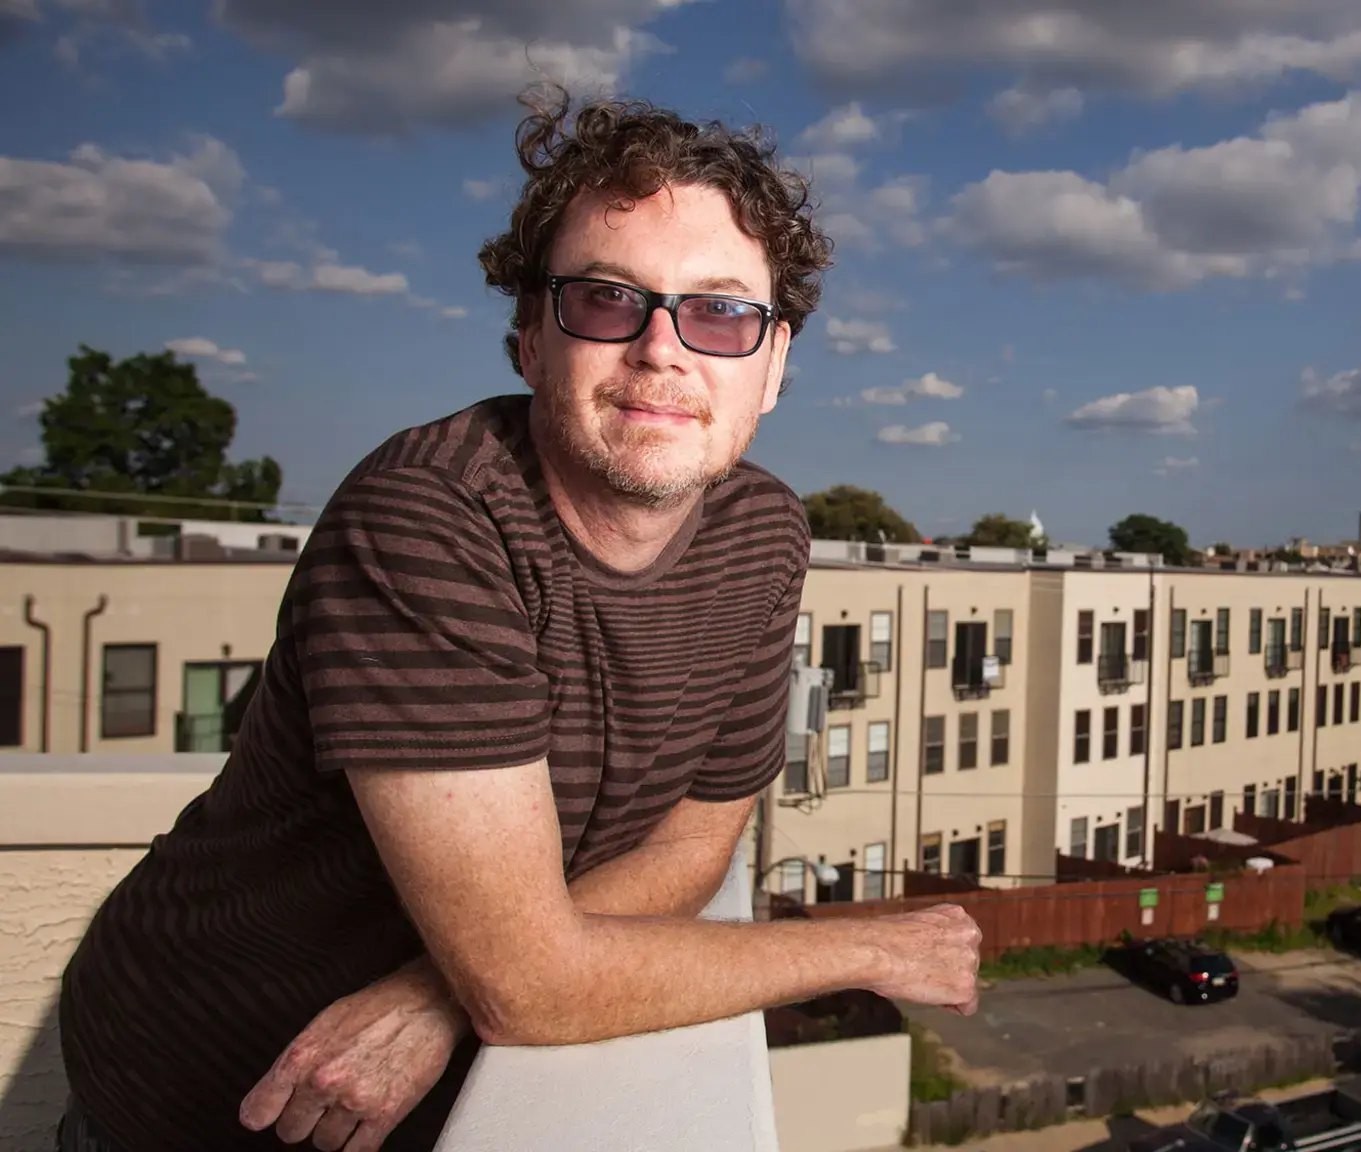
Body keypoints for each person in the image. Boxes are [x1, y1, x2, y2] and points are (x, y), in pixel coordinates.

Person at [56, 87, 982, 1152]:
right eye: (604, 299)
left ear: (772, 366)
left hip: (424, 1098)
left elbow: (689, 845)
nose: (663, 350)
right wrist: (866, 949)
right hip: (201, 1090)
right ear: (530, 341)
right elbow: (527, 989)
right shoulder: (430, 518)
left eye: (721, 312)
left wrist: (438, 989)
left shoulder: (762, 534)